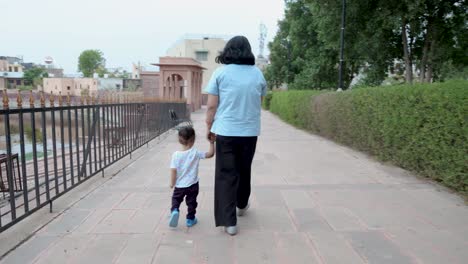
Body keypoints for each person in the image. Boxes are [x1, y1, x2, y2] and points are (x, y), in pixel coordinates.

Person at [204, 36, 267, 235]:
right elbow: (260, 100)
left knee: (225, 174)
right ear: (248, 52)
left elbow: (212, 105)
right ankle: (241, 204)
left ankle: (229, 222)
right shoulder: (257, 74)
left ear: (228, 51)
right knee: (243, 169)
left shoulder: (220, 73)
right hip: (249, 132)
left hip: (225, 131)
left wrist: (209, 126)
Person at [169, 126, 215, 228]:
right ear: (193, 140)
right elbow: (210, 154)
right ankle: (190, 219)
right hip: (193, 185)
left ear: (179, 140)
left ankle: (175, 210)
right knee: (191, 203)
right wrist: (212, 143)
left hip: (180, 186)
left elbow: (173, 171)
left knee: (176, 200)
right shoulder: (195, 153)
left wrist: (172, 183)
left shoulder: (176, 155)